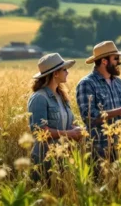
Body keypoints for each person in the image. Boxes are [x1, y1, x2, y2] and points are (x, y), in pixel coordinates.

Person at [76, 41, 121, 164]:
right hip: (99, 149)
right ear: (104, 61)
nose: (119, 62)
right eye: (116, 58)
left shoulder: (119, 83)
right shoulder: (87, 83)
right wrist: (119, 111)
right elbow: (89, 118)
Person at [27, 53, 84, 181]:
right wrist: (69, 133)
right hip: (45, 160)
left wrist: (77, 129)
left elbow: (67, 123)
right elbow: (39, 132)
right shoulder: (39, 98)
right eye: (64, 69)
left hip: (63, 157)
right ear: (55, 74)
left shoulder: (62, 96)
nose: (67, 72)